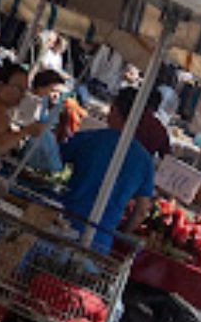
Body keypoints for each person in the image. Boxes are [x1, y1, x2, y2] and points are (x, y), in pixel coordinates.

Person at [57, 87, 159, 253]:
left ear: (114, 110)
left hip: (65, 224)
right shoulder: (145, 161)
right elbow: (141, 211)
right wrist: (122, 233)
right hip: (101, 239)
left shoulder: (89, 139)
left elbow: (55, 159)